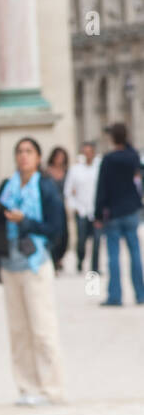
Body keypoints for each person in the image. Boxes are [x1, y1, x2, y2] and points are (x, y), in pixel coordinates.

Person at [0, 137, 67, 406]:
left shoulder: (46, 187)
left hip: (35, 262)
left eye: (29, 151)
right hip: (10, 263)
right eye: (19, 152)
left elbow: (55, 227)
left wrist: (24, 221)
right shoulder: (7, 187)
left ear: (38, 158)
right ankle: (26, 387)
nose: (23, 156)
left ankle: (51, 388)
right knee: (18, 330)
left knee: (42, 328)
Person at [94, 122, 144, 306]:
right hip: (131, 209)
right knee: (135, 253)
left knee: (113, 256)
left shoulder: (108, 159)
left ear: (112, 138)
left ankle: (115, 296)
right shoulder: (132, 156)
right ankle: (141, 294)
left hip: (113, 211)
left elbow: (102, 188)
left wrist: (98, 214)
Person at [65, 142, 102, 274]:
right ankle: (80, 260)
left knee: (97, 240)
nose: (87, 155)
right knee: (81, 241)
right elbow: (68, 191)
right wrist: (73, 206)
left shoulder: (99, 168)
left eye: (89, 152)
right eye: (84, 152)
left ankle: (95, 267)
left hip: (96, 211)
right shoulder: (75, 170)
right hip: (81, 210)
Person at [44, 147, 72, 273]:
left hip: (63, 206)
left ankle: (59, 257)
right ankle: (53, 259)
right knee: (53, 233)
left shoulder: (68, 172)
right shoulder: (46, 173)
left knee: (64, 234)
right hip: (50, 207)